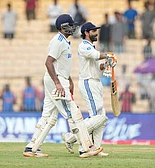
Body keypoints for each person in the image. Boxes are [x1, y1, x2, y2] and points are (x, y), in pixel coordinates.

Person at [23, 14, 103, 158]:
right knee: (74, 113)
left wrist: (69, 80)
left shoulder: (64, 41)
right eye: (71, 25)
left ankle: (32, 147)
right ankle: (85, 148)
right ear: (63, 27)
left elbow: (60, 65)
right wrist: (58, 83)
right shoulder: (58, 41)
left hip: (59, 79)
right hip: (56, 81)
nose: (73, 27)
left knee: (49, 116)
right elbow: (48, 62)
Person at [61, 22, 115, 157]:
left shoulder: (91, 47)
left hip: (96, 82)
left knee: (101, 118)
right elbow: (96, 55)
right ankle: (77, 141)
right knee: (98, 116)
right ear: (86, 32)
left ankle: (95, 148)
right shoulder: (83, 46)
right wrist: (109, 55)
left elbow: (97, 67)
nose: (96, 33)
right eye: (93, 31)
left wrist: (106, 64)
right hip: (88, 83)